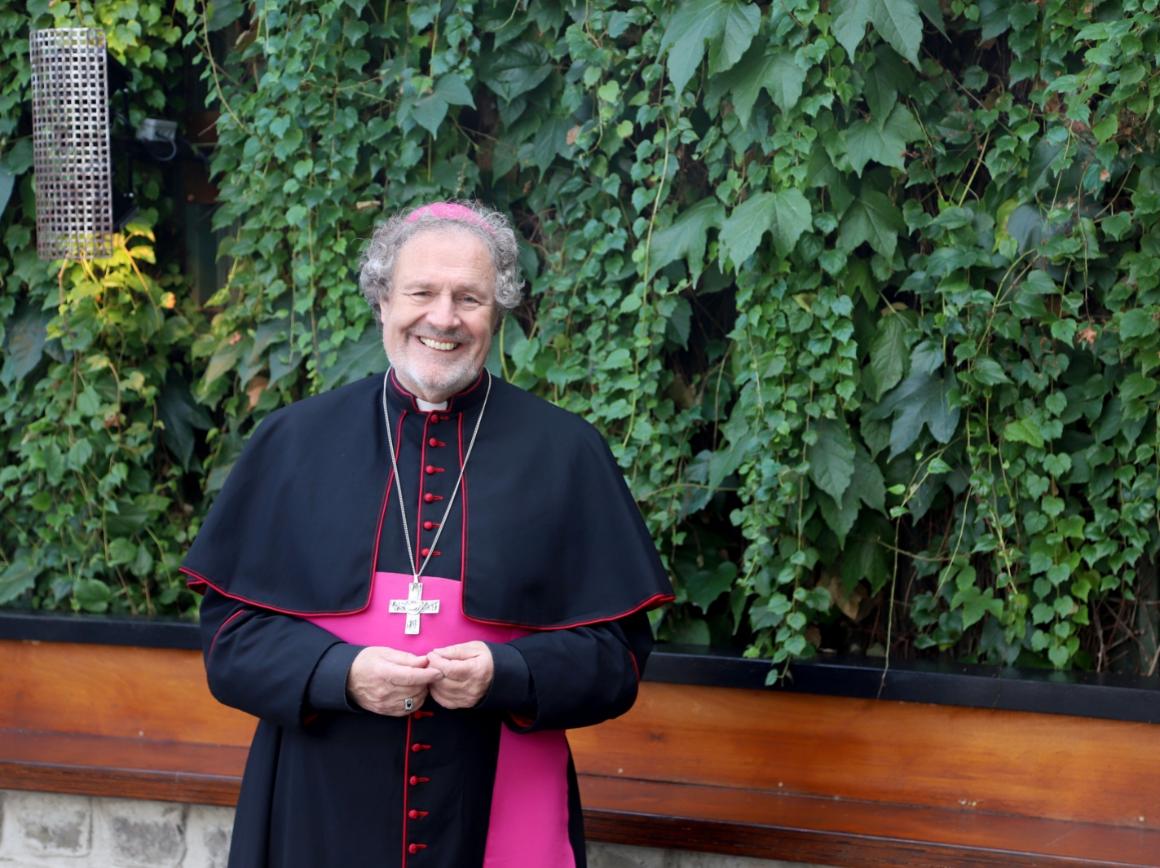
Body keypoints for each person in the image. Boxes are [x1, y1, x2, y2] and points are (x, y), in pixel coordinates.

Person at [182, 200, 674, 868]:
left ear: (496, 313)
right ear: (382, 301)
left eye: (468, 297)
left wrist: (511, 672)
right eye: (421, 292)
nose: (443, 318)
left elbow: (617, 661)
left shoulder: (566, 453)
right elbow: (230, 642)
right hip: (318, 806)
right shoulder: (295, 442)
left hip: (494, 789)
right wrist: (339, 674)